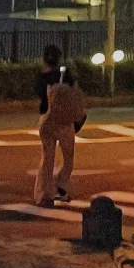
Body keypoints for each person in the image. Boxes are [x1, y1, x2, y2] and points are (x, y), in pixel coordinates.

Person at [33, 44, 87, 207]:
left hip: (47, 120)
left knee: (47, 158)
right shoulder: (67, 76)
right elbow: (76, 95)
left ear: (44, 59)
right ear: (59, 59)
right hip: (65, 122)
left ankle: (44, 194)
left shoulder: (41, 78)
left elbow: (39, 94)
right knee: (68, 157)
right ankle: (61, 187)